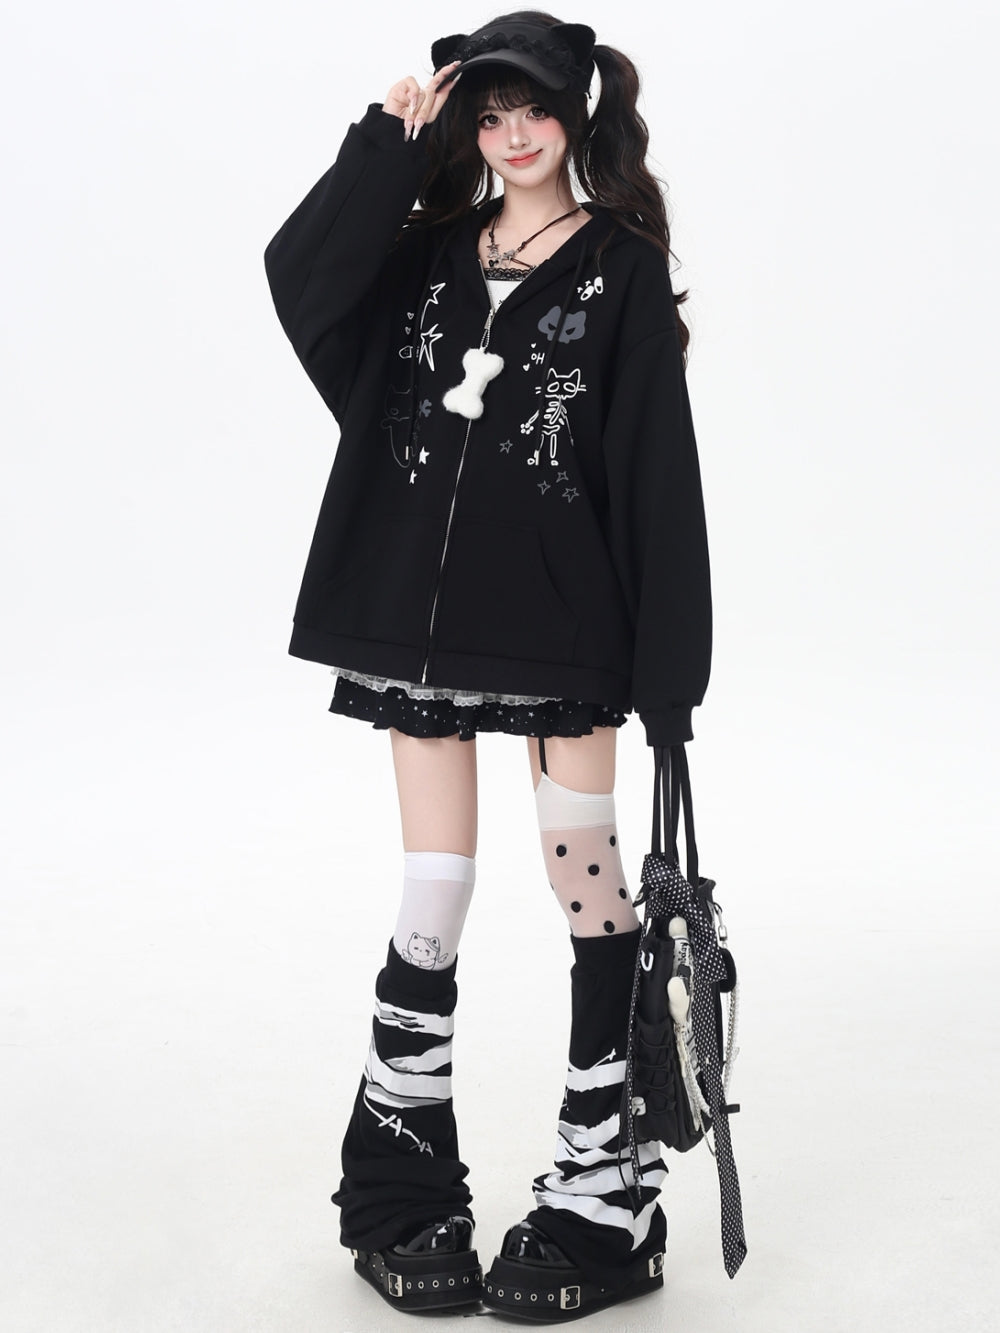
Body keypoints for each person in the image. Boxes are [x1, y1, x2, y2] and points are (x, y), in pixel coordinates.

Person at [263, 10, 711, 1322]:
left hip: (568, 632)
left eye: (536, 110)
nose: (514, 136)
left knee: (590, 887)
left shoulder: (621, 268)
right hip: (420, 627)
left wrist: (670, 679)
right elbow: (303, 280)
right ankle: (399, 1191)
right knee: (434, 890)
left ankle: (604, 1196)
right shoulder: (426, 252)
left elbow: (657, 473)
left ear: (577, 117)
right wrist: (387, 147)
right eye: (491, 114)